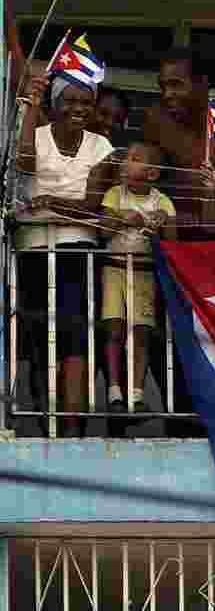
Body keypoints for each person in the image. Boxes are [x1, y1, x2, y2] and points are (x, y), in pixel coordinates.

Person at [14, 74, 116, 436]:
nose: (79, 109)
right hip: (33, 248)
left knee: (75, 338)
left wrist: (52, 202)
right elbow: (25, 166)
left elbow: (92, 208)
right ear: (55, 104)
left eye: (85, 103)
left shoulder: (100, 145)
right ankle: (49, 426)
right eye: (70, 101)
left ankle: (72, 427)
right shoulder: (35, 137)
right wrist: (31, 108)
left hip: (79, 249)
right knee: (42, 339)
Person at [99, 142, 176, 435]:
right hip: (114, 268)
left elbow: (173, 239)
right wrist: (121, 217)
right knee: (114, 328)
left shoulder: (162, 201)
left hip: (144, 272)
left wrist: (163, 221)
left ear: (152, 173)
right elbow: (103, 230)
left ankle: (136, 393)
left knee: (141, 332)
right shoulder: (115, 194)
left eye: (133, 159)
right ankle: (115, 392)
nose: (124, 162)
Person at [143, 47, 215, 229]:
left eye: (176, 84)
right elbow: (145, 182)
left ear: (202, 83)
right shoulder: (157, 121)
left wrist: (210, 219)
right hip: (167, 230)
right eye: (163, 86)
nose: (167, 94)